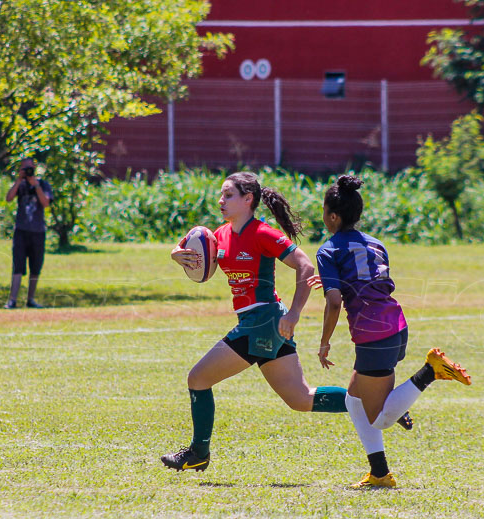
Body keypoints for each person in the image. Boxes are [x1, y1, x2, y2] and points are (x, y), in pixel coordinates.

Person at [162, 172, 408, 473]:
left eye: (228, 195)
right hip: (261, 323)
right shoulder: (220, 234)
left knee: (197, 379)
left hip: (263, 320)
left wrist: (294, 313)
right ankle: (381, 403)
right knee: (301, 399)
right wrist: (177, 254)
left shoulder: (263, 233)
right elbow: (189, 246)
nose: (220, 200)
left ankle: (198, 452)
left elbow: (304, 265)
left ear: (248, 199)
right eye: (221, 195)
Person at [307, 175, 472, 489]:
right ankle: (380, 473)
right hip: (395, 326)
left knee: (379, 417)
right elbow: (366, 282)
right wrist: (334, 284)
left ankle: (430, 372)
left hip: (373, 337)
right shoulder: (375, 243)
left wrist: (324, 341)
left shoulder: (328, 249)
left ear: (332, 216)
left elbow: (334, 301)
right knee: (354, 401)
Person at [5, 157, 53, 309]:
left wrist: (36, 186)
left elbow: (46, 203)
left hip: (38, 231)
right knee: (18, 265)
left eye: (30, 168)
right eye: (25, 168)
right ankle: (12, 300)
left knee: (35, 266)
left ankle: (30, 299)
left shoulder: (43, 184)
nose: (28, 171)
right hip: (21, 230)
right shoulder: (20, 184)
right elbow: (9, 198)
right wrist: (19, 180)